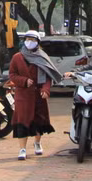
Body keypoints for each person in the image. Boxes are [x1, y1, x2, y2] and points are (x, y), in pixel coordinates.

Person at [8, 30, 62, 160]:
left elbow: (48, 77)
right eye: (27, 39)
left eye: (32, 40)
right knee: (22, 121)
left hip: (38, 95)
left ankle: (37, 143)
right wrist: (24, 81)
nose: (29, 42)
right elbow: (12, 75)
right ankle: (22, 149)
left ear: (37, 42)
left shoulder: (42, 57)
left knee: (39, 120)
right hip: (23, 95)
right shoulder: (17, 57)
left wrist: (46, 89)